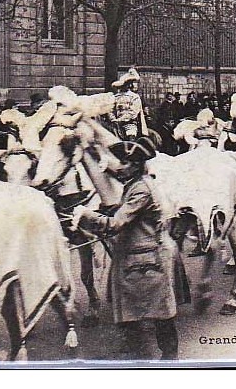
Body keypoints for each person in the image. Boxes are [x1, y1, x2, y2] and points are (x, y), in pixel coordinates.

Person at [71, 137, 180, 360]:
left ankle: (170, 359)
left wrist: (86, 215)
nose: (119, 166)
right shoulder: (135, 185)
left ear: (137, 165)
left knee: (159, 311)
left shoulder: (141, 190)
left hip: (146, 259)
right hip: (136, 258)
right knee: (136, 309)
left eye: (124, 162)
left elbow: (115, 224)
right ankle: (138, 351)